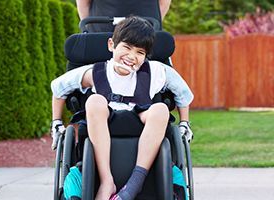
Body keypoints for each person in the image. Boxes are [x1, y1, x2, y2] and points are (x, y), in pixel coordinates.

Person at [50, 16, 193, 200]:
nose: (132, 56)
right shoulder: (96, 72)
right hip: (104, 121)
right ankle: (106, 180)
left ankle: (134, 184)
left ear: (146, 55)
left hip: (141, 119)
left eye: (140, 52)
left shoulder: (157, 71)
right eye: (126, 47)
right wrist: (56, 122)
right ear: (112, 45)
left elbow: (183, 94)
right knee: (94, 101)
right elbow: (58, 88)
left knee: (161, 110)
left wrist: (184, 123)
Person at [76, 0, 172, 32]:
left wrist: (152, 24)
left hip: (146, 35)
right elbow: (83, 3)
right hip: (101, 34)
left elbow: (163, 3)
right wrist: (89, 27)